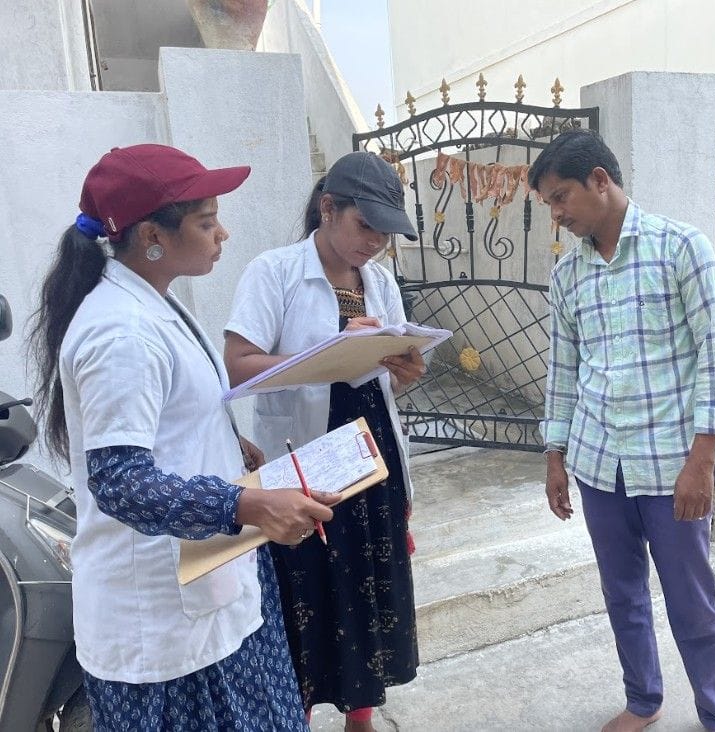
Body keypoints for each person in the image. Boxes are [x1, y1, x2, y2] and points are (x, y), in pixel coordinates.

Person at [29, 143, 342, 732]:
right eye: (206, 221)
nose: (223, 233)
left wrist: (229, 449)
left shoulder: (155, 304)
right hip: (166, 627)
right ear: (153, 234)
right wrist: (248, 502)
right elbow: (121, 482)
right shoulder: (120, 332)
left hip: (211, 581)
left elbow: (169, 422)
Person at [532, 129, 715, 732]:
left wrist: (702, 460)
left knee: (690, 600)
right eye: (549, 202)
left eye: (562, 195)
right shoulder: (569, 275)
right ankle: (643, 699)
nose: (558, 213)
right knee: (623, 595)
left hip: (670, 465)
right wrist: (555, 453)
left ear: (602, 179)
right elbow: (564, 369)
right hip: (600, 465)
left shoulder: (681, 249)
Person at [223, 151, 424, 731]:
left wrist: (404, 367)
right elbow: (239, 366)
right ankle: (299, 712)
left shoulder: (379, 280)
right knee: (305, 587)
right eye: (366, 226)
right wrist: (332, 351)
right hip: (306, 453)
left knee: (370, 579)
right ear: (327, 208)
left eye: (385, 233)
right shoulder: (275, 271)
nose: (374, 243)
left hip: (372, 444)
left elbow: (388, 366)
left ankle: (361, 713)